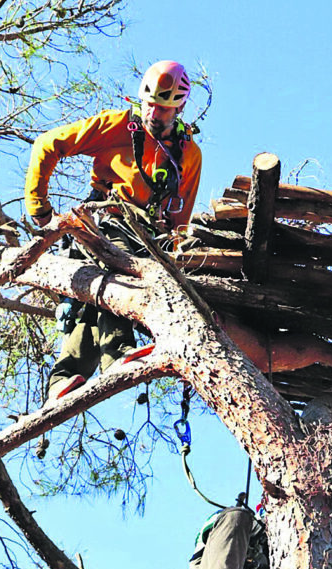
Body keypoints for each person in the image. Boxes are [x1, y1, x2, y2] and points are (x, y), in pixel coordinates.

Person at [24, 60, 203, 402]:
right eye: (150, 104)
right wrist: (40, 208)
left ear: (180, 108)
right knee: (119, 272)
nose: (154, 113)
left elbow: (181, 217)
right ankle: (118, 352)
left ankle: (64, 377)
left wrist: (174, 257)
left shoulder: (188, 154)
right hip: (106, 218)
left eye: (163, 108)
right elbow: (47, 144)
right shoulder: (118, 126)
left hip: (148, 237)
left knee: (95, 299)